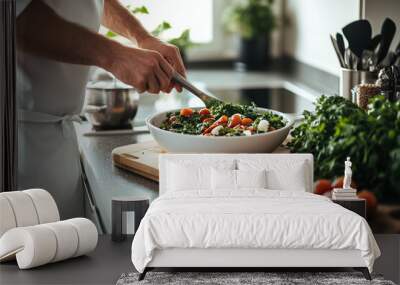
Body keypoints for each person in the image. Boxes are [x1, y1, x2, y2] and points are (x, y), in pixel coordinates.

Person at [16, 0, 186, 219]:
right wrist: (116, 56)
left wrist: (142, 37)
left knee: (70, 243)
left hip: (59, 136)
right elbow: (15, 16)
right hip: (19, 141)